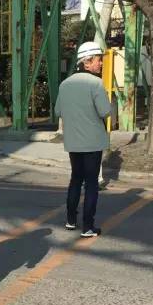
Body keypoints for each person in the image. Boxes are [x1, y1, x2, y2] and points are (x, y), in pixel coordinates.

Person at [54, 41, 112, 238]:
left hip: (73, 141)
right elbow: (105, 111)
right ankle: (88, 227)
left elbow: (58, 111)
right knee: (92, 183)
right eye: (98, 60)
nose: (101, 63)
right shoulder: (95, 83)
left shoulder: (65, 84)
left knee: (76, 179)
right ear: (86, 62)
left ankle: (71, 220)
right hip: (93, 142)